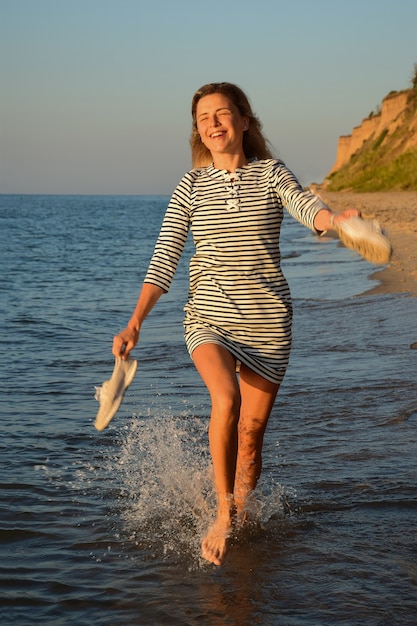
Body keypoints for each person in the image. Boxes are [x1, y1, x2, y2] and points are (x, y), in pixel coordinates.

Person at [112, 82, 360, 566]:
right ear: (198, 130)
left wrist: (335, 219)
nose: (213, 123)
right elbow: (165, 257)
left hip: (268, 323)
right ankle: (223, 514)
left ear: (245, 121)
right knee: (224, 399)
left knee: (251, 435)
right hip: (209, 318)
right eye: (204, 118)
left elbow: (307, 207)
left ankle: (242, 513)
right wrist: (135, 322)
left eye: (223, 114)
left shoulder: (270, 173)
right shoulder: (190, 185)